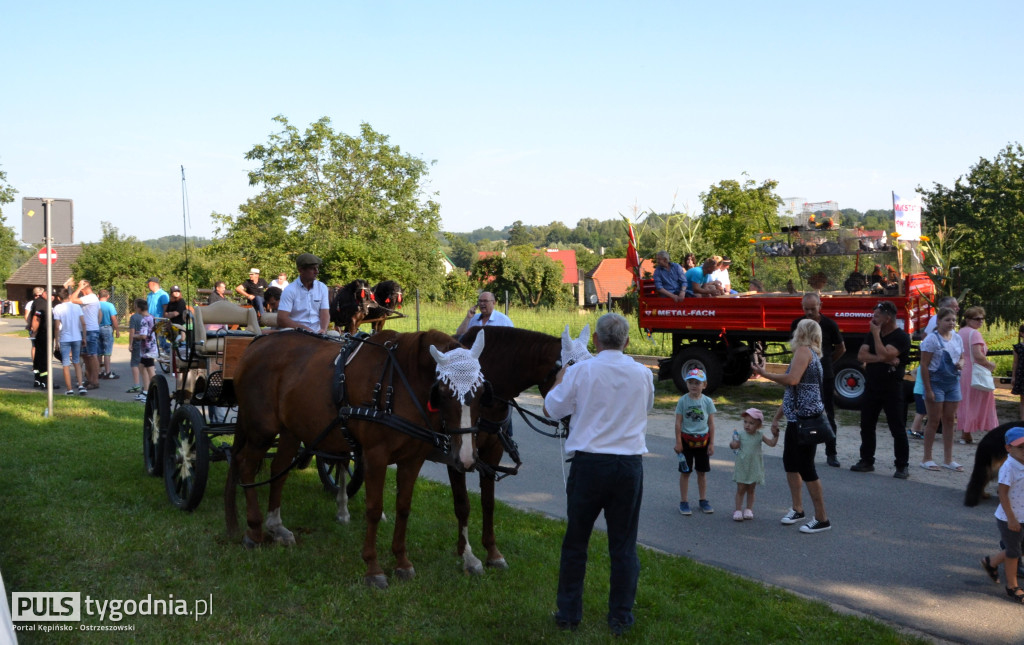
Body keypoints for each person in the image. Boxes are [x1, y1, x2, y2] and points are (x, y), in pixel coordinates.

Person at [542, 313, 654, 636]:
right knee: (624, 545)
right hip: (629, 466)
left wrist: (562, 375)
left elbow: (551, 408)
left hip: (590, 464)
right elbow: (645, 408)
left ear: (595, 340)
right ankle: (620, 617)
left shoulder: (580, 372)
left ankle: (568, 614)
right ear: (627, 341)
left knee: (576, 541)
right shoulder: (643, 374)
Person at [752, 318, 833, 532]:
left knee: (806, 467)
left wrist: (764, 374)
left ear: (802, 333)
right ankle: (798, 508)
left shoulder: (804, 352)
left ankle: (822, 518)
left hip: (806, 421)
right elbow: (793, 392)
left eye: (797, 330)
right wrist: (778, 417)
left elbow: (792, 380)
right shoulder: (809, 354)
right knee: (790, 463)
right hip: (797, 420)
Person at [850, 301, 912, 479]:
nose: (873, 319)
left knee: (897, 427)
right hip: (872, 385)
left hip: (892, 387)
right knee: (867, 425)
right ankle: (866, 460)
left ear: (888, 317)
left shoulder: (901, 337)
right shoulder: (871, 334)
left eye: (877, 315)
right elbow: (862, 355)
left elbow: (885, 353)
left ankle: (902, 465)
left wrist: (877, 337)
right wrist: (884, 358)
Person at [790, 292, 846, 467]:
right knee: (801, 412)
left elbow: (841, 348)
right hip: (803, 375)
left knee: (827, 413)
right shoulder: (797, 324)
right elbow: (794, 348)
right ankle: (805, 449)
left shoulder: (829, 325)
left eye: (812, 309)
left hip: (824, 376)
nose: (809, 312)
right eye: (806, 309)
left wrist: (825, 364)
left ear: (820, 306)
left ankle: (832, 452)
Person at [979, 427, 1024, 605]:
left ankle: (991, 562)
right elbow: (1002, 494)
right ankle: (1012, 586)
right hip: (1009, 518)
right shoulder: (1009, 467)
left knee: (1020, 548)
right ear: (1008, 448)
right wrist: (1011, 518)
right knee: (1014, 552)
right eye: (1020, 447)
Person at [919, 307, 965, 472]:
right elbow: (924, 365)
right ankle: (927, 458)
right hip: (935, 382)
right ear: (938, 321)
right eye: (947, 320)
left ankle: (948, 459)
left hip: (953, 382)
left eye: (953, 320)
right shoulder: (931, 339)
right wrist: (928, 389)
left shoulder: (957, 338)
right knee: (933, 420)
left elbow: (962, 357)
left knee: (949, 420)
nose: (951, 323)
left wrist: (961, 363)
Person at [910, 296, 959, 440]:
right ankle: (924, 435)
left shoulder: (954, 334)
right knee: (931, 410)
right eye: (955, 306)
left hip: (947, 374)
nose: (958, 309)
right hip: (936, 371)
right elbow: (926, 345)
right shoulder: (935, 326)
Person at [674, 367, 717, 516]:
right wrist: (678, 442)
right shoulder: (683, 401)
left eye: (697, 383)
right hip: (686, 442)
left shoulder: (707, 401)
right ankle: (684, 501)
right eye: (690, 382)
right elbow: (678, 423)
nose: (694, 385)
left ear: (704, 385)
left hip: (703, 442)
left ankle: (703, 500)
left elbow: (711, 424)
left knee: (702, 472)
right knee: (685, 472)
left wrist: (711, 443)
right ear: (686, 384)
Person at [958, 306, 999, 444]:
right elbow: (978, 355)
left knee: (966, 402)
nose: (980, 321)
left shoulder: (960, 332)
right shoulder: (974, 334)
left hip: (964, 371)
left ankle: (966, 433)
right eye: (977, 319)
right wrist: (990, 364)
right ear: (968, 319)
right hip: (976, 372)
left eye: (982, 318)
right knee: (985, 402)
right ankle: (993, 434)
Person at [729, 408, 778, 521]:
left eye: (751, 423)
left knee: (751, 489)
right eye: (745, 422)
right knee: (741, 489)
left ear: (758, 425)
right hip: (742, 466)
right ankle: (737, 510)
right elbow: (734, 446)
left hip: (754, 466)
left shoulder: (759, 435)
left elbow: (771, 443)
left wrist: (776, 436)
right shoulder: (740, 434)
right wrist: (733, 443)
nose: (747, 425)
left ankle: (748, 509)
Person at [278, 253, 330, 334]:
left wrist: (323, 329)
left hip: (318, 333)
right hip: (297, 333)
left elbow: (324, 312)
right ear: (300, 270)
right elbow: (281, 319)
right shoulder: (290, 290)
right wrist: (303, 329)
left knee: (339, 340)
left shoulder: (322, 287)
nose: (317, 272)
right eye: (313, 269)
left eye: (317, 268)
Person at [52, 287, 87, 396]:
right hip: (77, 337)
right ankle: (80, 385)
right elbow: (83, 323)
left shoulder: (57, 308)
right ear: (69, 296)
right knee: (76, 362)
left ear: (59, 298)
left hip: (65, 338)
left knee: (66, 363)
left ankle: (69, 389)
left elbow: (57, 326)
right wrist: (84, 337)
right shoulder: (77, 307)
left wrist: (56, 341)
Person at [70, 280, 101, 389]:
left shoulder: (90, 297)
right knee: (86, 356)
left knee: (92, 355)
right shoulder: (90, 298)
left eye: (81, 290)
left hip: (90, 330)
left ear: (84, 288)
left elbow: (72, 299)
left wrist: (78, 288)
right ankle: (90, 379)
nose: (80, 292)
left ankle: (95, 381)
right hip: (87, 329)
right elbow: (99, 313)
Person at [130, 298, 158, 403]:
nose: (135, 308)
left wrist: (135, 336)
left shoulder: (144, 320)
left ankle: (156, 391)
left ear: (139, 308)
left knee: (150, 369)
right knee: (142, 367)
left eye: (135, 306)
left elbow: (143, 336)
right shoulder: (151, 317)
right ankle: (146, 391)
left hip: (148, 348)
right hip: (149, 347)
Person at [97, 289, 120, 379]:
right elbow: (113, 318)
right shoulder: (110, 305)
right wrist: (117, 330)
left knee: (98, 351)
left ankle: (99, 371)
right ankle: (108, 372)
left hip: (97, 327)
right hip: (106, 328)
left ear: (98, 296)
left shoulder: (96, 305)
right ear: (108, 296)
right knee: (107, 351)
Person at [28, 287, 49, 388]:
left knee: (38, 357)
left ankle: (38, 379)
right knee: (43, 357)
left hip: (40, 333)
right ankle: (44, 381)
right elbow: (36, 318)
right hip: (42, 334)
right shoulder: (41, 303)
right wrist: (34, 332)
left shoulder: (37, 302)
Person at [146, 277, 170, 354]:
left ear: (154, 284)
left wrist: (163, 320)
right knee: (150, 340)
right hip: (150, 321)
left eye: (148, 284)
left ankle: (168, 353)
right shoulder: (149, 295)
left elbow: (165, 308)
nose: (147, 286)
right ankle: (153, 355)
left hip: (159, 320)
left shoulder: (163, 294)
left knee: (162, 341)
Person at [126, 301, 145, 394]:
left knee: (134, 363)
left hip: (137, 342)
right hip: (147, 343)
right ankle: (146, 385)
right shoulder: (149, 317)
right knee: (146, 364)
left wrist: (130, 343)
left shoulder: (134, 317)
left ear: (138, 307)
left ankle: (137, 384)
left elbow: (132, 331)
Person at [1012, 324, 1024, 421]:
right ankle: (1022, 419)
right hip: (1021, 374)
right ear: (1022, 334)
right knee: (1023, 399)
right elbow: (1015, 362)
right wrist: (1013, 377)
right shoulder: (1018, 347)